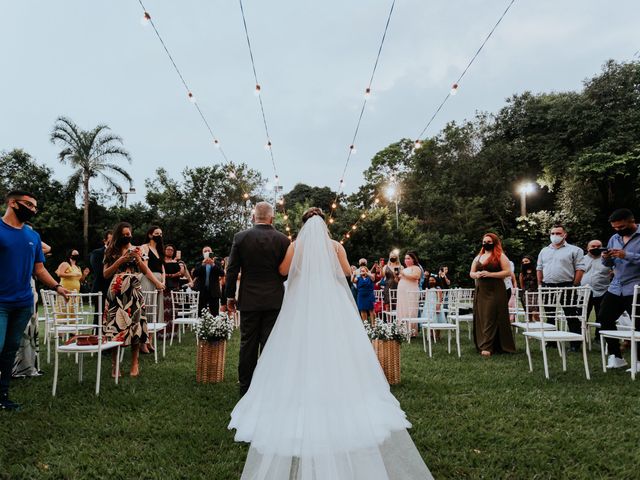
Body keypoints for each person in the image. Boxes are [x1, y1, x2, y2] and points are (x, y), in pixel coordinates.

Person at [228, 208, 432, 479]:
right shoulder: (336, 245)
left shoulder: (295, 244)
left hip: (301, 303)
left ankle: (296, 391)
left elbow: (283, 271)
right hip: (332, 303)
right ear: (324, 224)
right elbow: (347, 273)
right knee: (336, 346)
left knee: (297, 347)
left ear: (303, 226)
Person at [1, 190, 70, 410]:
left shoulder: (33, 237)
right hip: (0, 303)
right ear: (12, 203)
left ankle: (3, 396)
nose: (32, 210)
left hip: (23, 302)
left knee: (11, 349)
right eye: (28, 205)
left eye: (34, 207)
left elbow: (39, 270)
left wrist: (58, 287)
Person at [226, 202, 291, 396]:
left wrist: (230, 295)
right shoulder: (283, 240)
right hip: (274, 299)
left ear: (254, 218)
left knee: (248, 343)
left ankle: (245, 388)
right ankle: (269, 387)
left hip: (249, 299)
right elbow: (286, 273)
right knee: (270, 344)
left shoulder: (240, 237)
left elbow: (231, 270)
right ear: (272, 219)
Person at [103, 222, 164, 378]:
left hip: (134, 289)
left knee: (136, 326)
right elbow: (105, 274)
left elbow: (145, 269)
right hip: (116, 290)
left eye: (128, 233)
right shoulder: (111, 250)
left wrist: (157, 283)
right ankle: (115, 365)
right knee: (116, 328)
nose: (127, 236)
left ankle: (135, 363)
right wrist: (120, 261)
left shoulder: (138, 249)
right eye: (123, 234)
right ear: (118, 235)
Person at [599, 209, 640, 371]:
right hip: (616, 286)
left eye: (621, 227)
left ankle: (638, 362)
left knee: (638, 324)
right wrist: (606, 259)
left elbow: (628, 257)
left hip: (636, 286)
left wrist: (627, 255)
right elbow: (609, 265)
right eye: (615, 228)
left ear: (631, 221)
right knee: (605, 318)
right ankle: (616, 356)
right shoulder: (614, 238)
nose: (618, 230)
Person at [536, 224, 586, 350]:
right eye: (552, 233)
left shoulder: (575, 250)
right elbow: (539, 268)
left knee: (570, 314)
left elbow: (580, 268)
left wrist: (574, 284)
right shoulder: (544, 250)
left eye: (558, 233)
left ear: (564, 235)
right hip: (548, 285)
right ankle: (551, 341)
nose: (555, 236)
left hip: (567, 285)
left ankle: (575, 343)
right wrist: (540, 284)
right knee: (550, 314)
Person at [470, 233, 516, 357]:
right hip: (481, 290)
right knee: (482, 317)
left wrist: (490, 274)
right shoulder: (478, 257)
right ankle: (484, 343)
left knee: (491, 316)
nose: (486, 244)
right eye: (484, 241)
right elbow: (471, 273)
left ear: (494, 242)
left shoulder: (500, 256)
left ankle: (487, 347)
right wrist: (477, 275)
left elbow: (508, 272)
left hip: (496, 290)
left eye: (489, 241)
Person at [581, 239, 612, 343]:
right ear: (588, 248)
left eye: (598, 246)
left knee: (601, 315)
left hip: (602, 291)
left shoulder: (607, 260)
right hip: (583, 292)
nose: (595, 248)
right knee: (583, 315)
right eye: (593, 246)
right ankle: (581, 337)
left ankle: (599, 338)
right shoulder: (581, 259)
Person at [140, 226, 166, 352]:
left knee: (155, 311)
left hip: (159, 282)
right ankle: (142, 342)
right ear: (150, 235)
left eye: (161, 234)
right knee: (147, 309)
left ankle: (150, 340)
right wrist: (156, 282)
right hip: (148, 280)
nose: (159, 235)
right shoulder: (144, 247)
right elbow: (145, 268)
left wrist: (163, 281)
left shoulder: (159, 250)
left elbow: (162, 268)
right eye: (156, 233)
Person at [193, 246, 225, 315]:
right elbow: (195, 274)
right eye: (205, 251)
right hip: (202, 291)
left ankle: (215, 326)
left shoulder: (217, 263)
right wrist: (203, 264)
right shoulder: (199, 263)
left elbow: (222, 273)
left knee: (215, 314)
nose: (207, 252)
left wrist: (213, 264)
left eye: (208, 251)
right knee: (201, 313)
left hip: (214, 291)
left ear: (211, 252)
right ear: (203, 253)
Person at [396, 252, 422, 336]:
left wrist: (403, 274)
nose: (406, 260)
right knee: (402, 309)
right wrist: (396, 275)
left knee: (411, 310)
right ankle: (402, 330)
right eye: (405, 258)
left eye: (408, 258)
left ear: (413, 259)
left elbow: (416, 277)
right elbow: (398, 280)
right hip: (402, 292)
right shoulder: (403, 269)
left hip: (411, 291)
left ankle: (411, 332)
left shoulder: (416, 268)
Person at [55, 248, 83, 319]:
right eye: (75, 254)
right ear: (70, 255)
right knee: (64, 311)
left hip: (75, 293)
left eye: (77, 254)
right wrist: (73, 274)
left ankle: (73, 328)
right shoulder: (65, 264)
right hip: (66, 291)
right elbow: (59, 274)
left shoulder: (77, 267)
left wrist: (84, 275)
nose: (76, 255)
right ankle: (61, 327)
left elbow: (78, 279)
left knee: (73, 312)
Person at [89, 231, 112, 314]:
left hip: (114, 289)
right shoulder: (97, 253)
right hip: (101, 289)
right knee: (99, 316)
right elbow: (98, 271)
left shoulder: (119, 253)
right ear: (105, 241)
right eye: (110, 240)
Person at [519, 255, 539, 320]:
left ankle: (540, 327)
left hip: (535, 293)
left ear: (531, 261)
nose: (525, 263)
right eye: (523, 262)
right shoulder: (522, 273)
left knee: (535, 313)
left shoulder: (536, 271)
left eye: (526, 261)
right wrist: (524, 293)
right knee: (528, 314)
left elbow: (539, 282)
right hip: (526, 294)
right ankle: (530, 328)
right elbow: (522, 285)